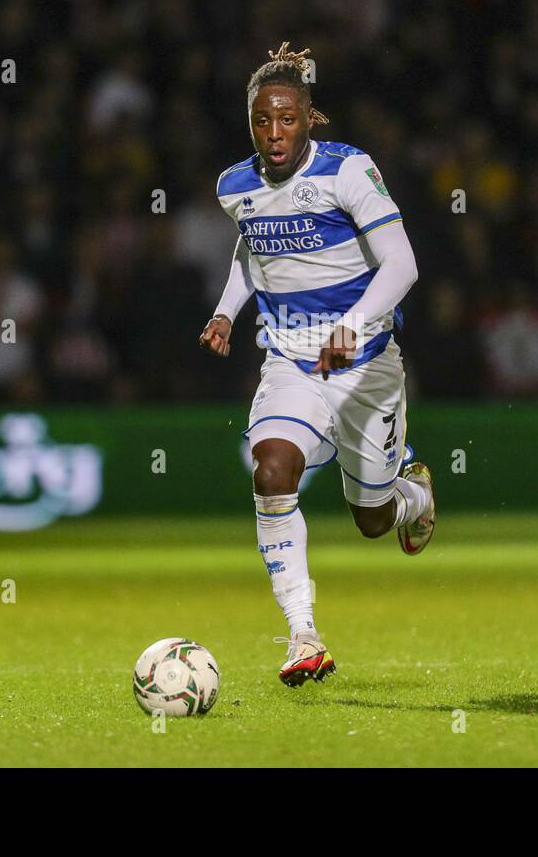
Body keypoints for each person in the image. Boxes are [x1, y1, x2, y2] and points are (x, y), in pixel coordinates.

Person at [198, 43, 436, 687]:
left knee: (371, 519)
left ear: (311, 118)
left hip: (366, 368)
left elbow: (404, 265)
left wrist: (351, 327)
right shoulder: (235, 186)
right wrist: (226, 311)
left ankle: (412, 494)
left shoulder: (348, 172)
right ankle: (302, 633)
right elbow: (252, 252)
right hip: (290, 362)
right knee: (272, 470)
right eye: (261, 121)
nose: (274, 135)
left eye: (287, 119)